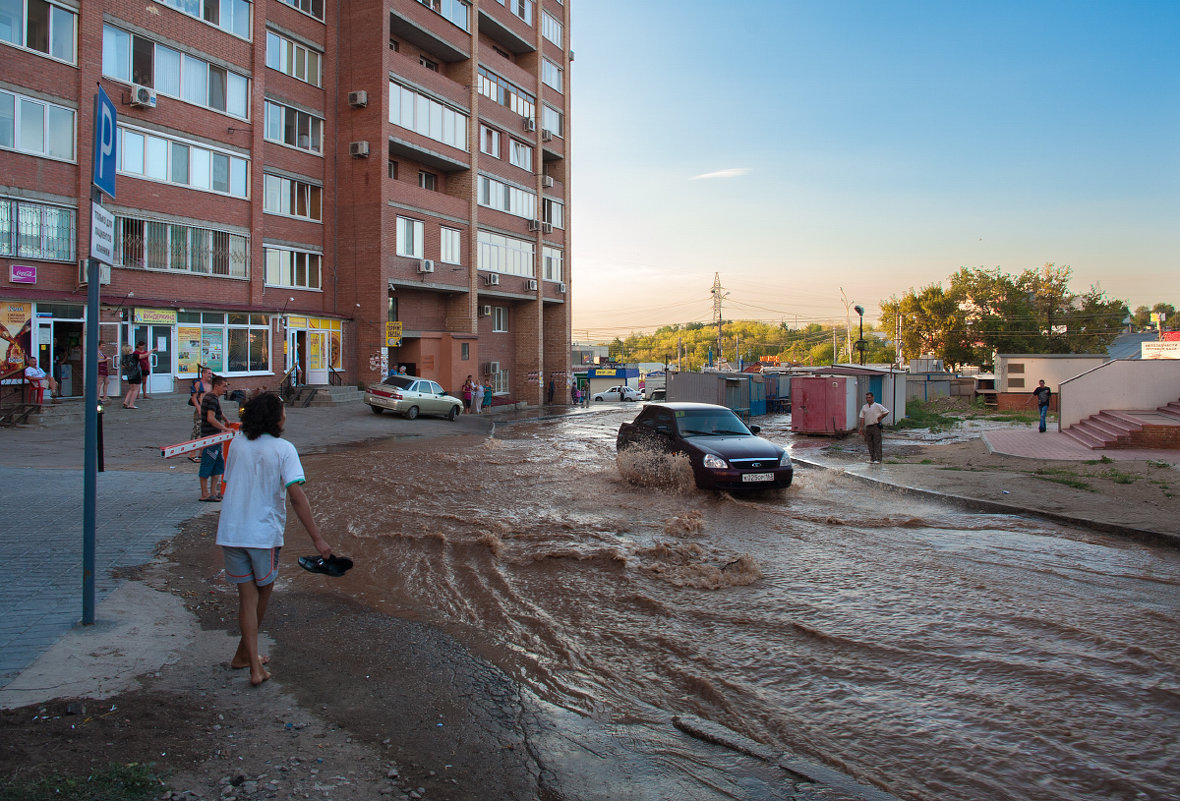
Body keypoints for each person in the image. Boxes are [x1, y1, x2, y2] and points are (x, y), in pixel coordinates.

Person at [215, 391, 332, 686]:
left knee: (246, 599)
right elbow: (297, 496)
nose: (286, 416)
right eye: (283, 412)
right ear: (274, 418)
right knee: (261, 595)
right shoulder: (284, 449)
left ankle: (246, 656)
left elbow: (228, 484)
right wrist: (318, 540)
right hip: (262, 534)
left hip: (231, 531)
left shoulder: (238, 443)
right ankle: (255, 667)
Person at [198, 375, 232, 501]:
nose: (225, 389)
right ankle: (204, 493)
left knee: (218, 465)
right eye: (224, 386)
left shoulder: (213, 398)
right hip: (210, 437)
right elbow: (210, 418)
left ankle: (213, 491)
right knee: (207, 464)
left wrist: (226, 420)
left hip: (216, 439)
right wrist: (225, 429)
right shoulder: (211, 398)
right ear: (216, 386)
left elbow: (218, 412)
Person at [858, 391, 890, 463]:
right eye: (867, 398)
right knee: (870, 443)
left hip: (875, 426)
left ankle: (878, 459)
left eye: (869, 397)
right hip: (868, 426)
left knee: (877, 442)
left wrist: (880, 418)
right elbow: (862, 417)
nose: (868, 399)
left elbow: (886, 411)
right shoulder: (864, 407)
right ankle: (872, 458)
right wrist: (861, 427)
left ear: (872, 397)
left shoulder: (877, 405)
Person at [189, 366, 213, 461]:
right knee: (197, 430)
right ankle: (192, 453)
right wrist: (199, 408)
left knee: (205, 431)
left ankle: (202, 453)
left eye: (211, 374)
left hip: (208, 410)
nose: (210, 375)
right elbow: (194, 397)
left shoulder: (210, 385)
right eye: (209, 373)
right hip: (200, 410)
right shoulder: (198, 384)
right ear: (203, 374)